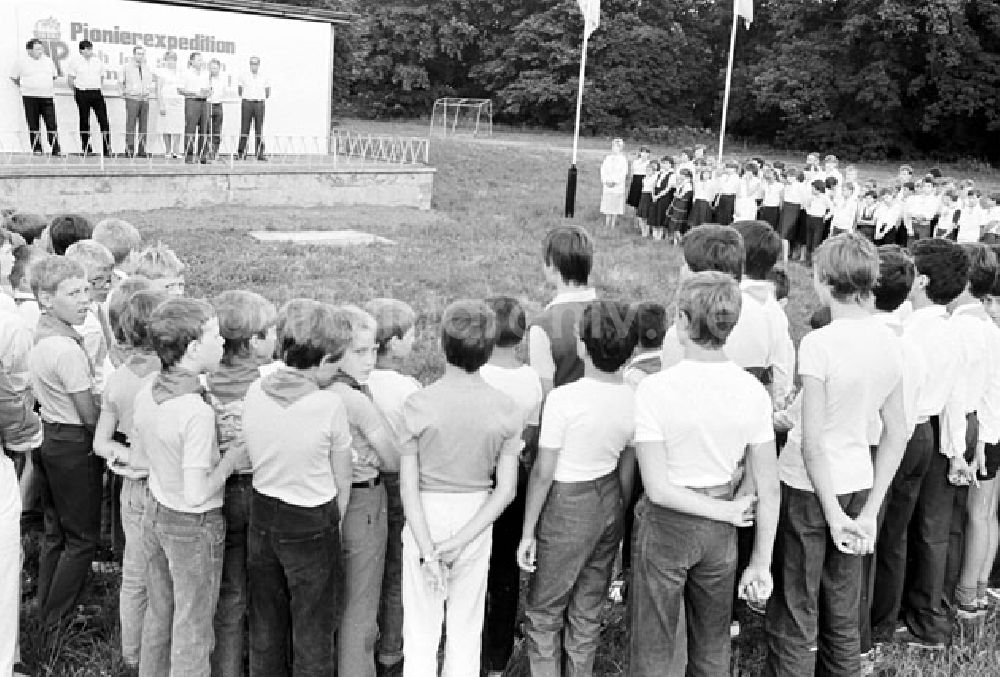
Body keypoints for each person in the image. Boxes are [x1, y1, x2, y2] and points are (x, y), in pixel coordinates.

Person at [766, 233, 908, 676]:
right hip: (858, 481)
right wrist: (869, 508)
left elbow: (811, 441)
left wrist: (831, 512)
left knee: (795, 603)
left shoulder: (820, 343)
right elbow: (897, 432)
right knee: (843, 605)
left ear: (825, 281)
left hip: (809, 487)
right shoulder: (889, 340)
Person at [630, 271, 779, 676]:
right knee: (712, 642)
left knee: (653, 643)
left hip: (669, 524)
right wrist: (760, 560)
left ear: (680, 321)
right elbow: (768, 486)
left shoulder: (656, 390)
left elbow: (658, 488)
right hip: (720, 524)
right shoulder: (752, 391)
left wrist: (727, 514)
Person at [398, 300, 522, 676]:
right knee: (467, 628)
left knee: (419, 629)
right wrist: (462, 539)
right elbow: (506, 490)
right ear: (489, 349)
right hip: (476, 516)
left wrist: (428, 548)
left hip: (425, 514)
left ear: (441, 344)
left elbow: (407, 487)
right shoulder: (506, 408)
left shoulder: (417, 404)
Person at [519, 300, 637, 676]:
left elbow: (543, 471)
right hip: (609, 496)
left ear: (582, 347)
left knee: (544, 611)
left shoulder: (563, 399)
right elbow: (627, 466)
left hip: (566, 503)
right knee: (587, 610)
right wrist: (617, 513)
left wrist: (527, 532)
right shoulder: (635, 398)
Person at [134, 297, 244, 676]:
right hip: (194, 523)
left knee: (160, 612)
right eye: (215, 335)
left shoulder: (151, 389)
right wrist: (233, 456)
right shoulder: (194, 411)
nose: (223, 343)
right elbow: (197, 492)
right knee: (194, 628)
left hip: (157, 509)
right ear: (194, 347)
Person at [243, 300, 353, 676]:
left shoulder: (256, 389)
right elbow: (343, 475)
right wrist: (336, 522)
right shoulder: (328, 404)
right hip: (311, 518)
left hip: (262, 511)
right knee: (314, 627)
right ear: (322, 362)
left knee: (266, 622)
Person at [872, 238, 971, 650]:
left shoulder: (910, 332)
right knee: (908, 532)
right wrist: (956, 448)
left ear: (922, 281)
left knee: (888, 531)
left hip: (904, 428)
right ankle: (905, 616)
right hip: (930, 432)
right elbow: (955, 397)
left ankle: (884, 618)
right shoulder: (949, 330)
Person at [91, 287, 166, 672]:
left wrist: (128, 457)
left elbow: (101, 442)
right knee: (164, 576)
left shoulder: (119, 378)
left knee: (135, 573)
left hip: (132, 487)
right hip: (165, 487)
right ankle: (159, 653)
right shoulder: (169, 379)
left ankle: (130, 655)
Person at [204, 290, 277, 677]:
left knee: (230, 590)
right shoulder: (270, 382)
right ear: (252, 341)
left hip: (224, 489)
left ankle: (226, 668)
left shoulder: (204, 378)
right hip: (265, 488)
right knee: (265, 588)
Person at [27, 256, 100, 627]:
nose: (85, 299)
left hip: (48, 434)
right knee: (83, 537)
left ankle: (46, 605)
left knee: (55, 532)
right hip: (73, 441)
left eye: (86, 290)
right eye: (73, 292)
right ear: (45, 298)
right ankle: (58, 621)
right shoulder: (68, 349)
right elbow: (88, 413)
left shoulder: (42, 334)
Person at [328, 305, 401, 677]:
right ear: (335, 350)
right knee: (361, 604)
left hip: (323, 501)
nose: (370, 358)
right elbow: (392, 458)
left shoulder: (321, 387)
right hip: (363, 499)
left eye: (374, 349)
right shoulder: (355, 398)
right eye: (359, 351)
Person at [480, 296, 543, 677]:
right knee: (505, 569)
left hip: (473, 477)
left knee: (471, 561)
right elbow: (532, 432)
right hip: (514, 475)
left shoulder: (476, 374)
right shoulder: (531, 379)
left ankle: (463, 641)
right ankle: (497, 657)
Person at [364, 297, 420, 677]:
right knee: (397, 571)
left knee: (367, 569)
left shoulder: (357, 381)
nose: (417, 339)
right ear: (395, 341)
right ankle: (391, 651)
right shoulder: (408, 388)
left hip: (364, 482)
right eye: (412, 333)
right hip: (399, 480)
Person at [948, 244, 1000, 619]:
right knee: (987, 511)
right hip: (992, 428)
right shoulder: (989, 326)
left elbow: (983, 390)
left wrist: (983, 437)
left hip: (985, 428)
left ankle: (968, 593)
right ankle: (979, 585)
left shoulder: (969, 328)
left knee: (977, 513)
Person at [529, 225, 597, 395]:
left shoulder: (543, 325)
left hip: (563, 415)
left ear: (551, 265)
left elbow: (545, 390)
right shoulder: (613, 314)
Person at [10, 39, 61, 156]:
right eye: (37, 49)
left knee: (51, 123)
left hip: (47, 96)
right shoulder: (21, 62)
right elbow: (14, 77)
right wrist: (26, 86)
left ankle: (55, 148)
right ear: (29, 50)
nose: (40, 51)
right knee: (33, 123)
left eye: (41, 48)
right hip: (30, 96)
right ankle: (37, 148)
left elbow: (53, 76)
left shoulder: (48, 61)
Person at [67, 40, 111, 157]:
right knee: (84, 120)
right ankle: (86, 147)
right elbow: (70, 80)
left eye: (90, 49)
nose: (89, 51)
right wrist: (77, 91)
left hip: (96, 92)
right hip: (82, 92)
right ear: (81, 50)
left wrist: (96, 87)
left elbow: (101, 77)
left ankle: (107, 148)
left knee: (103, 120)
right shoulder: (75, 62)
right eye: (86, 49)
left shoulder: (98, 61)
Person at [121, 46, 154, 158]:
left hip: (144, 99)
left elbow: (149, 82)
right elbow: (120, 82)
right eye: (139, 54)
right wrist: (124, 93)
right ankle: (129, 149)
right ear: (134, 54)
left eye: (142, 54)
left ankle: (142, 149)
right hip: (132, 99)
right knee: (131, 125)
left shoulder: (147, 68)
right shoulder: (126, 67)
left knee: (144, 126)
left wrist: (148, 93)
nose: (141, 56)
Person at [179, 52, 211, 164]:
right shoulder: (186, 73)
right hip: (192, 102)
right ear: (191, 61)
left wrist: (208, 92)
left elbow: (208, 88)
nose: (201, 62)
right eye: (198, 60)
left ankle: (202, 156)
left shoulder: (206, 74)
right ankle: (189, 156)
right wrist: (194, 93)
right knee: (190, 129)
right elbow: (180, 90)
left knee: (204, 130)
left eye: (201, 60)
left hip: (204, 102)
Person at [237, 56, 270, 161]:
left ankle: (260, 153)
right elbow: (240, 90)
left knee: (259, 129)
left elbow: (267, 92)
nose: (253, 65)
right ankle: (241, 153)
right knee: (244, 128)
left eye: (255, 63)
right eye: (252, 63)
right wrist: (248, 97)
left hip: (259, 104)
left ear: (259, 65)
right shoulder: (243, 76)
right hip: (247, 103)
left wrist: (260, 98)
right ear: (249, 64)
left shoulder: (264, 76)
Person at [155, 51, 185, 159]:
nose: (171, 61)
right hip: (166, 101)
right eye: (168, 59)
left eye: (173, 59)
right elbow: (158, 90)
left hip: (178, 101)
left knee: (178, 127)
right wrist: (161, 104)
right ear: (165, 60)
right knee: (166, 127)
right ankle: (167, 151)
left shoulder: (181, 72)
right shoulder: (161, 72)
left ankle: (176, 151)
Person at [600, 138, 629, 229]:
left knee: (615, 204)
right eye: (613, 146)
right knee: (608, 203)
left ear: (621, 148)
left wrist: (615, 182)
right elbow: (603, 170)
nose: (615, 148)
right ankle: (607, 222)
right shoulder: (608, 158)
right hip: (607, 184)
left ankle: (613, 223)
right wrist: (606, 181)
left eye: (617, 147)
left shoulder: (623, 159)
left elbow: (623, 173)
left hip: (617, 185)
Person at [207, 59, 225, 161]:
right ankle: (207, 152)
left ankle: (215, 152)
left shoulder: (222, 80)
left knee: (217, 131)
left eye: (215, 68)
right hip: (208, 105)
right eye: (212, 68)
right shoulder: (206, 79)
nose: (213, 70)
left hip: (218, 105)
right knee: (207, 130)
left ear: (219, 68)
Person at [627, 147, 650, 228]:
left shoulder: (649, 163)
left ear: (648, 154)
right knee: (635, 204)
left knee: (642, 203)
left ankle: (643, 222)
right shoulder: (635, 162)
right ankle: (635, 223)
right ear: (640, 153)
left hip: (644, 182)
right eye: (642, 152)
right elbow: (632, 173)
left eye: (646, 152)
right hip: (636, 182)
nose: (644, 154)